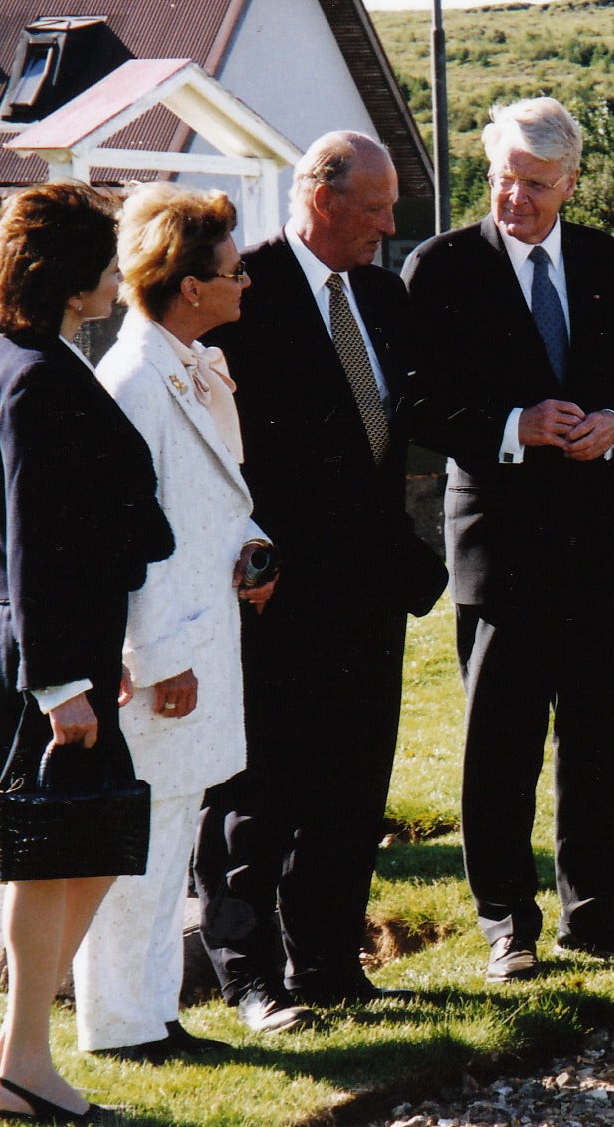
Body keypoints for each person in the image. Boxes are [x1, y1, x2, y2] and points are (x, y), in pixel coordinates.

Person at [402, 97, 614, 983]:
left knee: (601, 740)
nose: (515, 197)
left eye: (536, 184)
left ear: (571, 182)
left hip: (598, 540)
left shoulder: (611, 263)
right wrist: (515, 425)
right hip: (500, 541)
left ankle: (594, 916)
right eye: (503, 178)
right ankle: (507, 924)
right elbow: (417, 402)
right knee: (501, 745)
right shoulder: (442, 266)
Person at [192, 132, 447, 1032]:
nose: (389, 225)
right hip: (277, 593)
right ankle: (249, 976)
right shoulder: (243, 291)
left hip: (369, 591)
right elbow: (222, 452)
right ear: (320, 197)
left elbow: (399, 433)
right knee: (257, 794)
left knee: (350, 788)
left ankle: (331, 964)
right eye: (374, 208)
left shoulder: (380, 295)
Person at [0, 180, 174, 1120]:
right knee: (54, 856)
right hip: (44, 655)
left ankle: (12, 1060)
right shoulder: (38, 373)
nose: (118, 281)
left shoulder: (15, 357)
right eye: (107, 266)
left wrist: (85, 659)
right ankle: (27, 1071)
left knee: (85, 848)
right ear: (70, 275)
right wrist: (60, 683)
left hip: (54, 643)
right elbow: (38, 540)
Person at [74, 184, 274, 1063]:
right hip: (165, 655)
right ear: (190, 286)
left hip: (201, 629)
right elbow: (124, 536)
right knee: (142, 846)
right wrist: (156, 656)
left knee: (171, 832)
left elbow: (200, 501)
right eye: (233, 272)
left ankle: (153, 1014)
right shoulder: (134, 382)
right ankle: (121, 1026)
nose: (244, 284)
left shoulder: (182, 366)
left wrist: (251, 544)